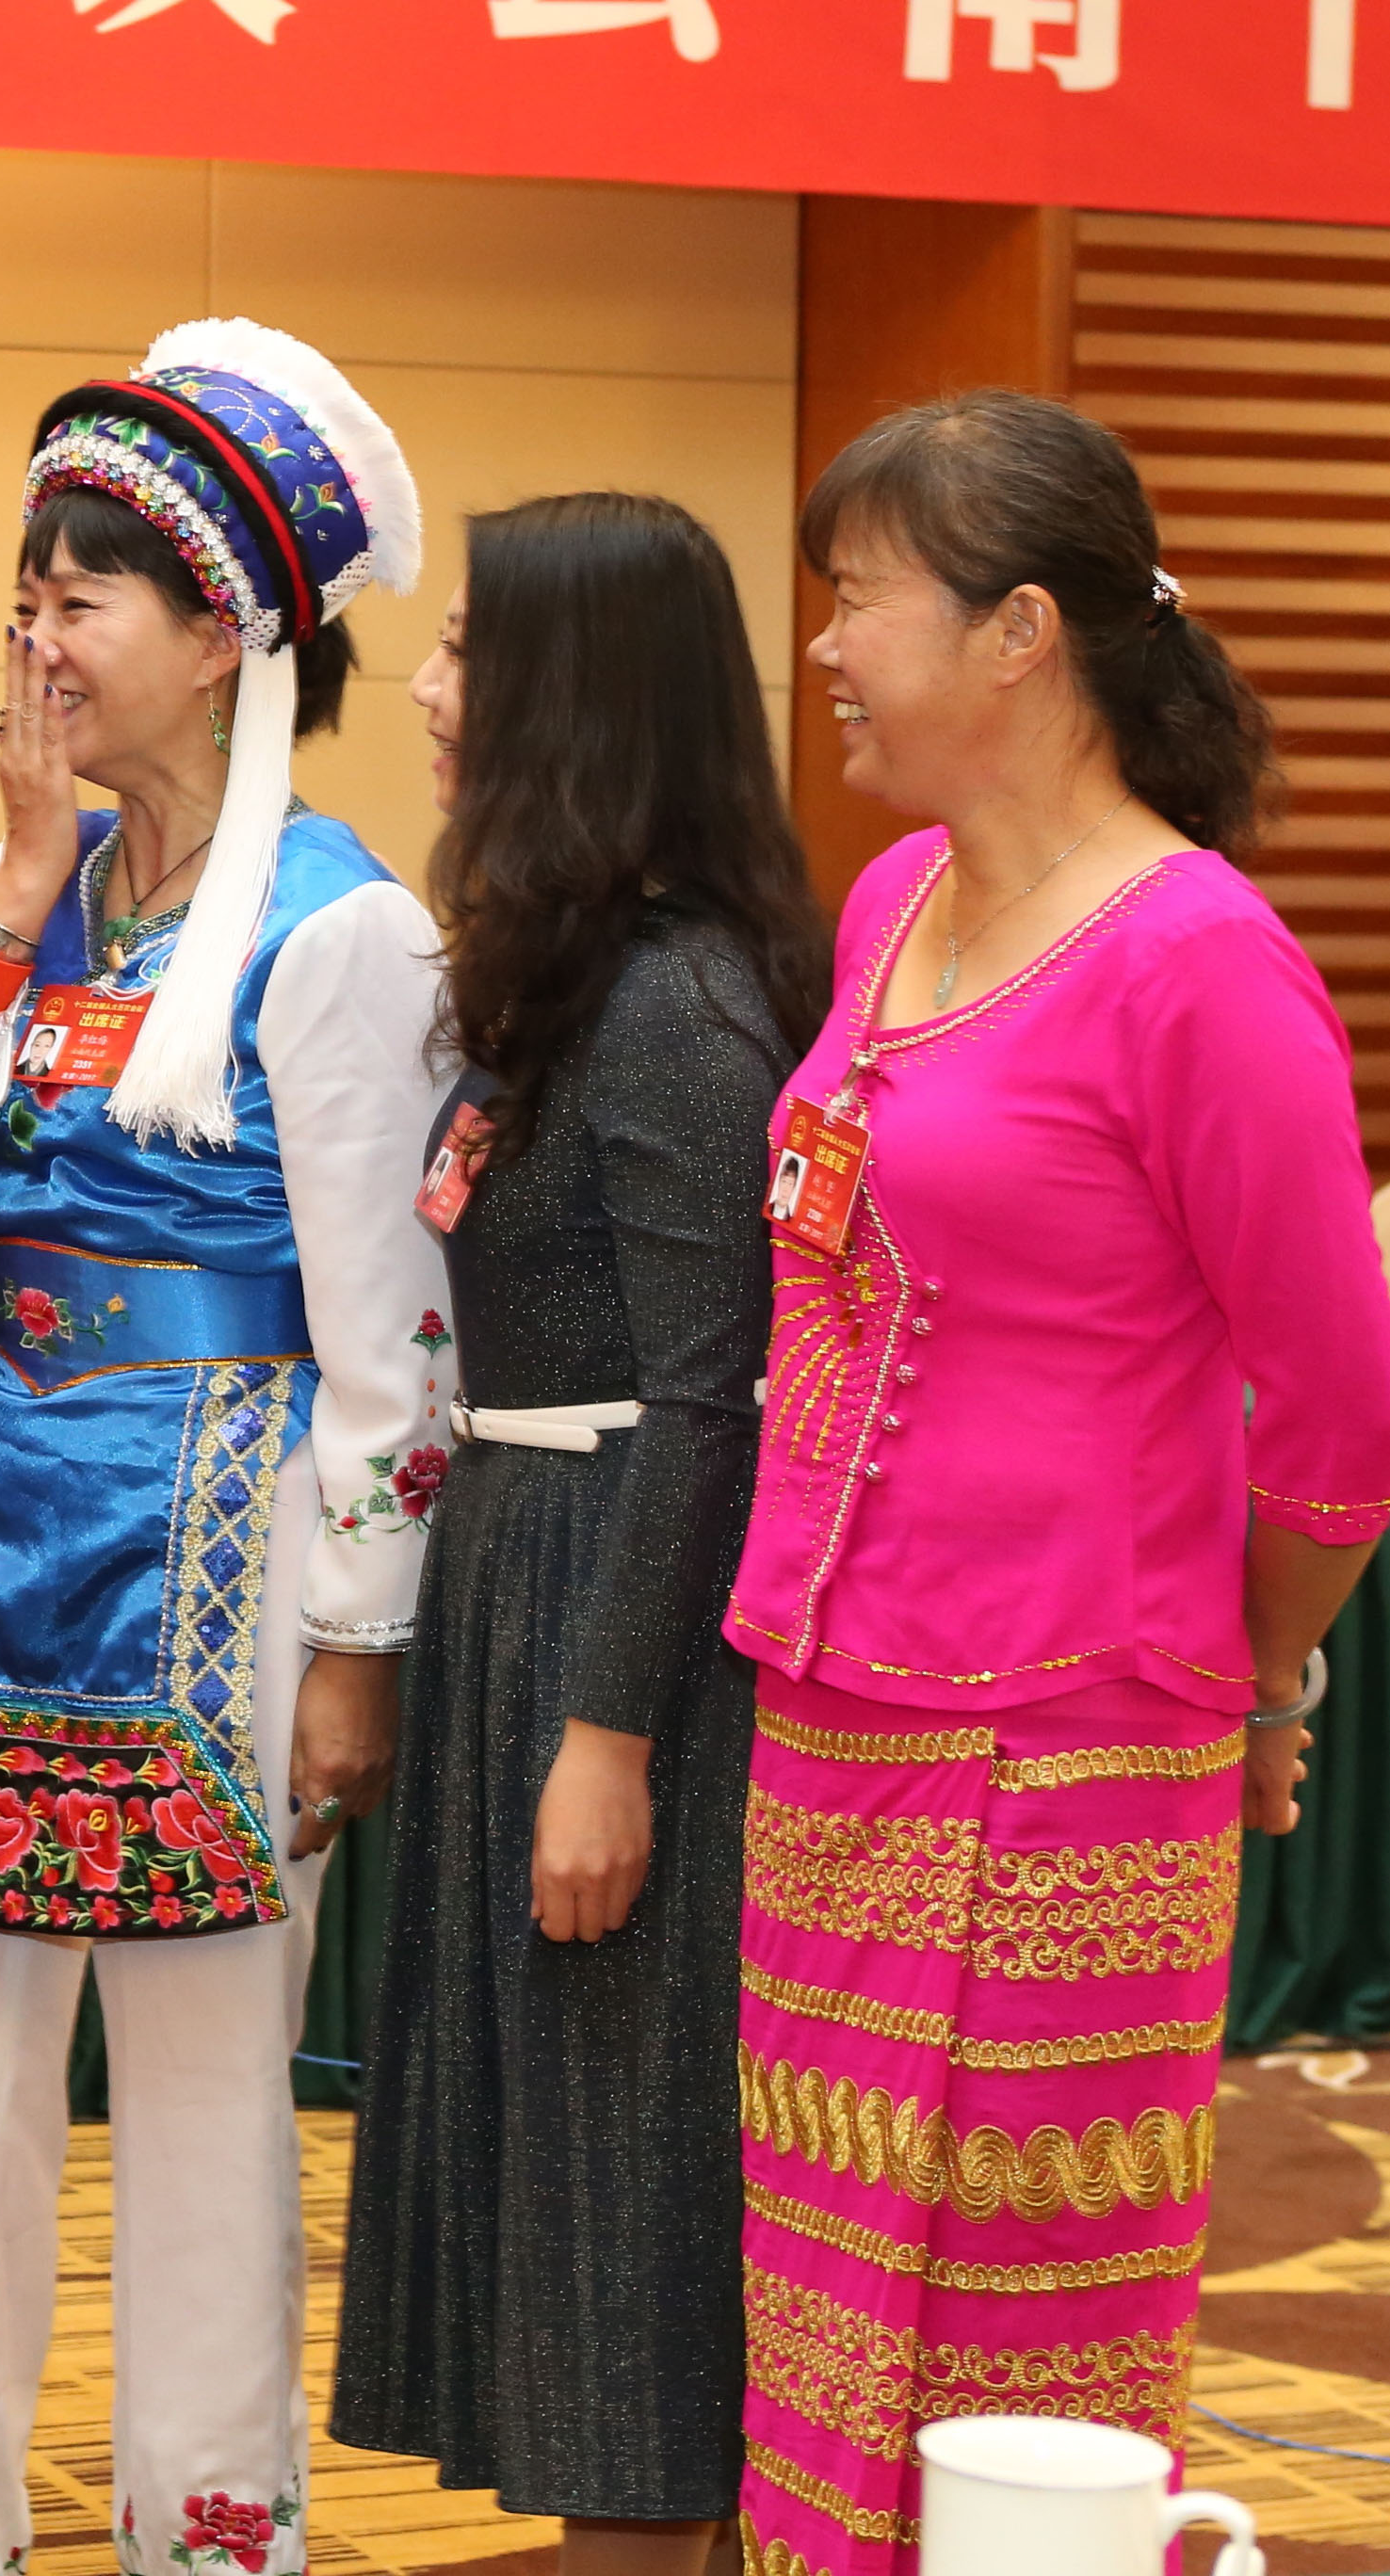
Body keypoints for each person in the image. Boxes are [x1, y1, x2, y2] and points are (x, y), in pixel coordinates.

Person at [724, 390, 1390, 2576]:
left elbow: (1337, 1416)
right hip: (830, 1708)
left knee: (1016, 2341)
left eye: (857, 598)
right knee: (822, 2315)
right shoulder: (895, 896)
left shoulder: (1196, 964)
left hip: (1066, 1746)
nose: (823, 646)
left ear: (1017, 632)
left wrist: (1253, 1675)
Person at [0, 321, 447, 2576]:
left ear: (221, 636)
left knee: (201, 2114)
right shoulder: (49, 887)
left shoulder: (344, 924)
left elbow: (391, 1338)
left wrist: (356, 1643)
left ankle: (205, 2534)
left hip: (220, 1550)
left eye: (80, 595)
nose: (37, 638)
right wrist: (4, 868)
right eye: (25, 592)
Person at [327, 493, 826, 2576]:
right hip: (525, 1569)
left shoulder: (674, 1003)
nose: (428, 690)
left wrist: (606, 1733)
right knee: (559, 2194)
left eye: (467, 649)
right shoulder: (575, 972)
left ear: (576, 694)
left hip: (622, 1611)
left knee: (623, 2214)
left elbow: (712, 1397)